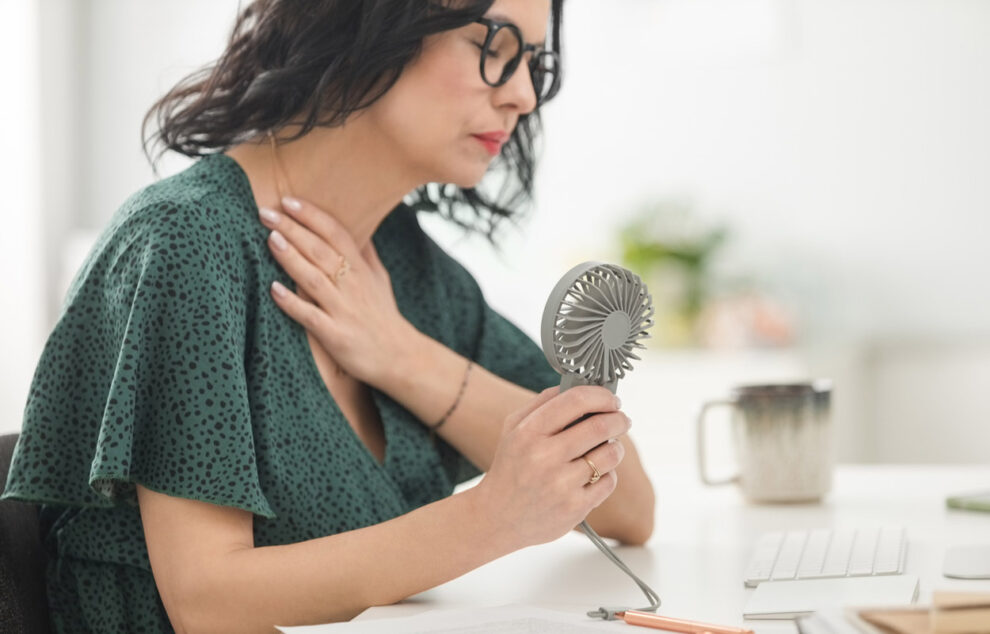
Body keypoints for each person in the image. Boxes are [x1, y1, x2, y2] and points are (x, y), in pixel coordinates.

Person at [2, 0, 655, 631]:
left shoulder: (407, 272)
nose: (524, 97)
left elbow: (628, 505)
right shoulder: (186, 243)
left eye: (533, 64)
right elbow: (206, 603)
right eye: (494, 47)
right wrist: (492, 518)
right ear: (371, 20)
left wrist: (405, 357)